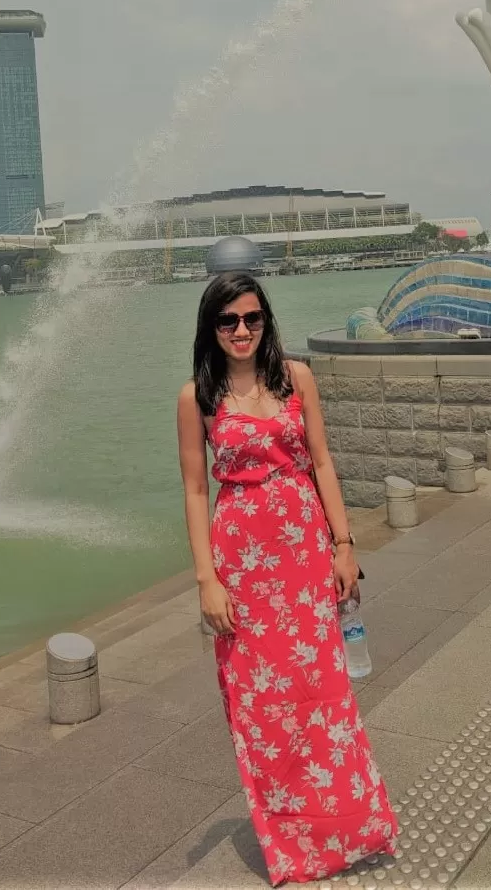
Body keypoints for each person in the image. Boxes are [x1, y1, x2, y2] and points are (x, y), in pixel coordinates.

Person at [177, 272, 398, 885]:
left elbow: (322, 461)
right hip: (242, 566)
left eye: (252, 318)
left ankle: (353, 826)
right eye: (228, 322)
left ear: (265, 321)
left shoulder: (295, 378)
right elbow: (197, 489)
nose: (242, 331)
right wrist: (206, 580)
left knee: (324, 696)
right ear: (211, 329)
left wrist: (344, 545)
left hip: (303, 554)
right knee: (262, 706)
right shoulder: (197, 396)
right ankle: (294, 846)